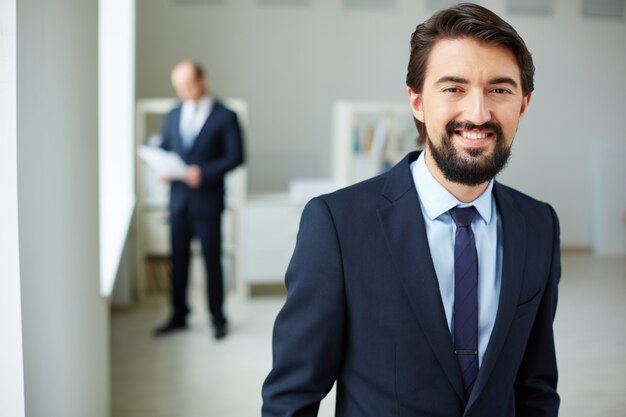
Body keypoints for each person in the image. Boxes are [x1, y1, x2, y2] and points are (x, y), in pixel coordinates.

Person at [262, 3, 560, 416]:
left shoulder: (539, 224)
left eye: (500, 89)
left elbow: (537, 387)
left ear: (523, 105)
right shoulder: (338, 224)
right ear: (417, 102)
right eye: (453, 88)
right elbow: (291, 398)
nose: (477, 113)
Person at [153, 60, 244, 340]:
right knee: (178, 261)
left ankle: (218, 318)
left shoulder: (225, 115)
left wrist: (203, 173)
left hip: (207, 201)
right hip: (178, 201)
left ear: (202, 80)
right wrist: (164, 169)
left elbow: (236, 157)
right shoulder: (173, 113)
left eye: (188, 84)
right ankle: (179, 314)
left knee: (211, 260)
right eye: (178, 87)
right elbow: (166, 147)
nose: (183, 91)